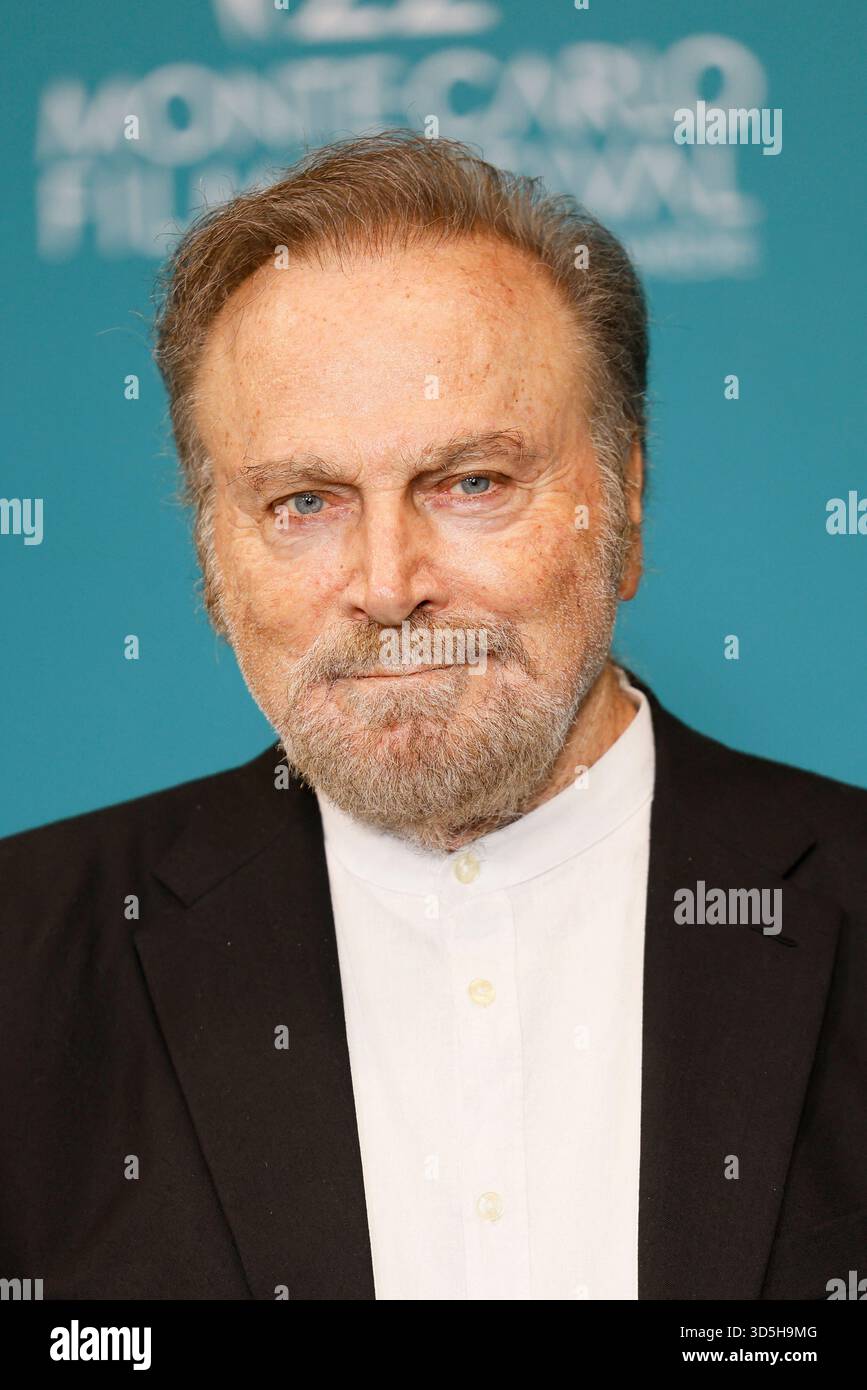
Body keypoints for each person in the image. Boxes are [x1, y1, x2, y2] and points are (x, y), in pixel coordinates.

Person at [1, 131, 864, 1301]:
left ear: (627, 500)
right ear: (211, 554)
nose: (388, 582)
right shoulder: (26, 959)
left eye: (471, 483)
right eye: (303, 502)